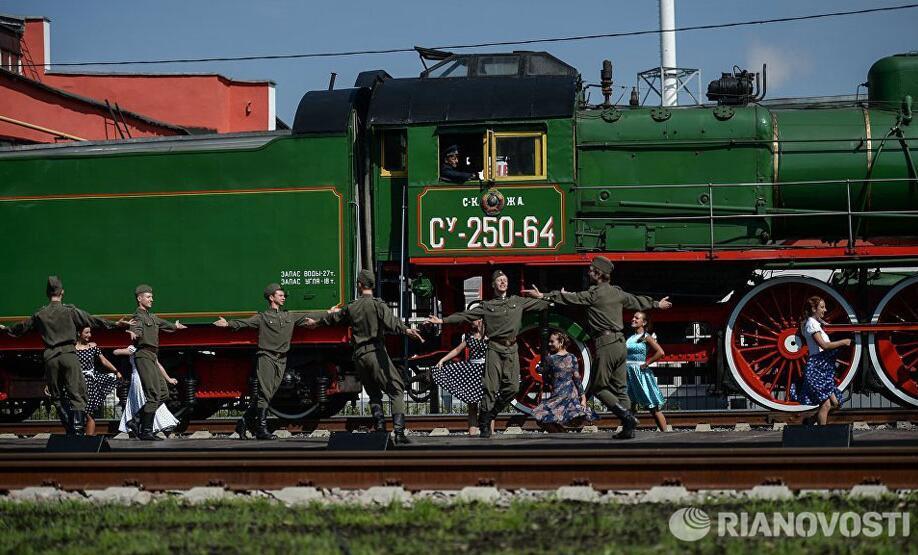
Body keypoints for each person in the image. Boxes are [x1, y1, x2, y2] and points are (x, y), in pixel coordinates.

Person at [522, 256, 672, 439]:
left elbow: (573, 298)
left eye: (591, 270)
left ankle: (626, 417)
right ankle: (628, 428)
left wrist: (543, 295)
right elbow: (637, 301)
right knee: (620, 388)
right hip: (620, 344)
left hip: (606, 344)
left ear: (599, 274)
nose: (588, 272)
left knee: (599, 388)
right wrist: (657, 304)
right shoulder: (617, 293)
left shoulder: (594, 294)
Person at [306, 270, 425, 444]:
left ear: (360, 285)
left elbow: (334, 318)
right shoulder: (378, 305)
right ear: (372, 285)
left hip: (359, 356)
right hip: (375, 353)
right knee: (396, 389)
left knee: (373, 393)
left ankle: (380, 427)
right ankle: (398, 433)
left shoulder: (352, 306)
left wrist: (316, 322)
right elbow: (392, 323)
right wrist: (407, 330)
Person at [428, 270, 551, 438]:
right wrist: (442, 320)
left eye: (505, 280)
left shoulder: (517, 301)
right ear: (493, 285)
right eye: (499, 280)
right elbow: (464, 315)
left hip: (512, 349)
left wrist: (544, 296)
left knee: (513, 387)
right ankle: (485, 423)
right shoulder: (487, 306)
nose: (502, 282)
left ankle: (491, 413)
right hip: (494, 349)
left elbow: (545, 305)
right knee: (490, 389)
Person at [0, 276, 129, 436]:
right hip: (69, 354)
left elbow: (22, 328)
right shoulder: (70, 311)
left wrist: (6, 330)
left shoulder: (41, 313)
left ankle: (69, 428)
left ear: (48, 293)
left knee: (56, 395)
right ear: (62, 292)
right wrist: (114, 325)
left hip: (51, 357)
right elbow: (92, 320)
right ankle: (77, 431)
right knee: (76, 393)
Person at [214, 283, 323, 440]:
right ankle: (261, 429)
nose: (284, 297)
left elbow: (309, 315)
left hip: (281, 359)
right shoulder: (263, 317)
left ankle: (243, 423)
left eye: (283, 295)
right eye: (280, 295)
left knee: (268, 393)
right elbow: (245, 323)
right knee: (265, 393)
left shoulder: (288, 316)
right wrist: (228, 324)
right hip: (267, 357)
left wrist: (330, 313)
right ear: (271, 298)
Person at [128, 284, 186, 441]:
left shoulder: (151, 317)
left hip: (153, 356)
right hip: (144, 355)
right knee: (153, 394)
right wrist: (135, 333)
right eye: (148, 297)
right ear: (139, 299)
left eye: (151, 296)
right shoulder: (138, 316)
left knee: (163, 393)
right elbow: (137, 328)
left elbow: (166, 324)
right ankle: (146, 431)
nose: (152, 299)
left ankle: (136, 421)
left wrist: (175, 326)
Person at [791, 296, 851, 426]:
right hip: (817, 368)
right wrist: (843, 342)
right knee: (826, 404)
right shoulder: (811, 324)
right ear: (813, 309)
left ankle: (811, 421)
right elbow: (824, 345)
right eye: (822, 307)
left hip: (822, 367)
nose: (825, 309)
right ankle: (822, 434)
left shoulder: (815, 323)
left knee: (836, 403)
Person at [432, 318, 491, 436]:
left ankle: (491, 432)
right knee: (472, 405)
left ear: (480, 321)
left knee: (489, 405)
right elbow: (457, 350)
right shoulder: (469, 336)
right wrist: (443, 359)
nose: (471, 322)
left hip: (486, 371)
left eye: (473, 319)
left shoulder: (489, 336)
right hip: (472, 372)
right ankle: (472, 434)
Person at [532, 331, 598, 432]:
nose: (549, 344)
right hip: (571, 395)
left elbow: (543, 374)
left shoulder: (551, 359)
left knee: (540, 417)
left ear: (561, 342)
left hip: (559, 395)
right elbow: (577, 379)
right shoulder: (572, 357)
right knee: (551, 419)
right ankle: (562, 433)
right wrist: (583, 398)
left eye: (552, 341)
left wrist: (539, 368)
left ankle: (560, 434)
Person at [114, 345, 179, 437]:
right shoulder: (134, 349)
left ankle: (139, 422)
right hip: (138, 378)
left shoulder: (149, 350)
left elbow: (158, 365)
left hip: (149, 377)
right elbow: (115, 352)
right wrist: (132, 351)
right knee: (143, 400)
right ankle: (141, 426)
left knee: (153, 400)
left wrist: (168, 379)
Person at [75, 326, 123, 436]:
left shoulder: (93, 347)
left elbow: (104, 361)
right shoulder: (72, 348)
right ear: (79, 333)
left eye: (90, 332)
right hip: (76, 382)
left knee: (89, 413)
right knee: (76, 412)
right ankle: (78, 439)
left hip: (90, 383)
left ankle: (89, 441)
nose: (89, 335)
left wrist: (116, 371)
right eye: (86, 332)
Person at [625, 311, 668, 432]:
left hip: (640, 372)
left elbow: (661, 352)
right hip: (629, 372)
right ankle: (628, 431)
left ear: (643, 322)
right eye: (633, 317)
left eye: (636, 318)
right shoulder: (631, 337)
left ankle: (665, 434)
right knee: (631, 405)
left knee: (652, 406)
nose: (633, 319)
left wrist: (647, 363)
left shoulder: (646, 337)